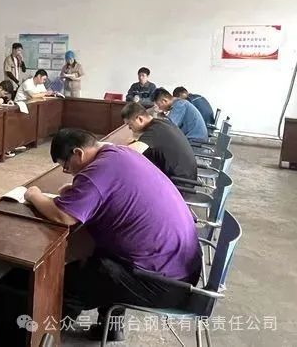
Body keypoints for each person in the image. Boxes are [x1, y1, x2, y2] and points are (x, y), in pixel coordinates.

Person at [24, 128, 201, 341]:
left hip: (164, 284)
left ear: (78, 153)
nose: (67, 171)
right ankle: (111, 329)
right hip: (181, 269)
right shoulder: (119, 154)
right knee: (101, 257)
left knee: (68, 283)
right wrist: (79, 190)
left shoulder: (98, 172)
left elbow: (64, 216)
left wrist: (34, 195)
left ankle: (46, 339)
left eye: (66, 166)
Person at [121, 102, 197, 181]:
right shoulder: (162, 123)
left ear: (140, 119)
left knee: (132, 178)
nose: (129, 128)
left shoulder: (154, 131)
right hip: (187, 176)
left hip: (179, 182)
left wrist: (114, 147)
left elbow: (129, 153)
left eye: (130, 124)